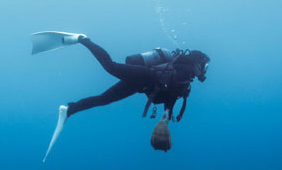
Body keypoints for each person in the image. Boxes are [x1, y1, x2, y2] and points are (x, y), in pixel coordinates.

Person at [36, 33, 210, 162]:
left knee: (103, 99)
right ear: (199, 63)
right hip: (145, 76)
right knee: (110, 67)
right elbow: (172, 96)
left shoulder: (186, 77)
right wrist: (164, 120)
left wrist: (164, 120)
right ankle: (83, 39)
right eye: (205, 66)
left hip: (142, 84)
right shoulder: (186, 72)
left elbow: (171, 96)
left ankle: (70, 109)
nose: (204, 71)